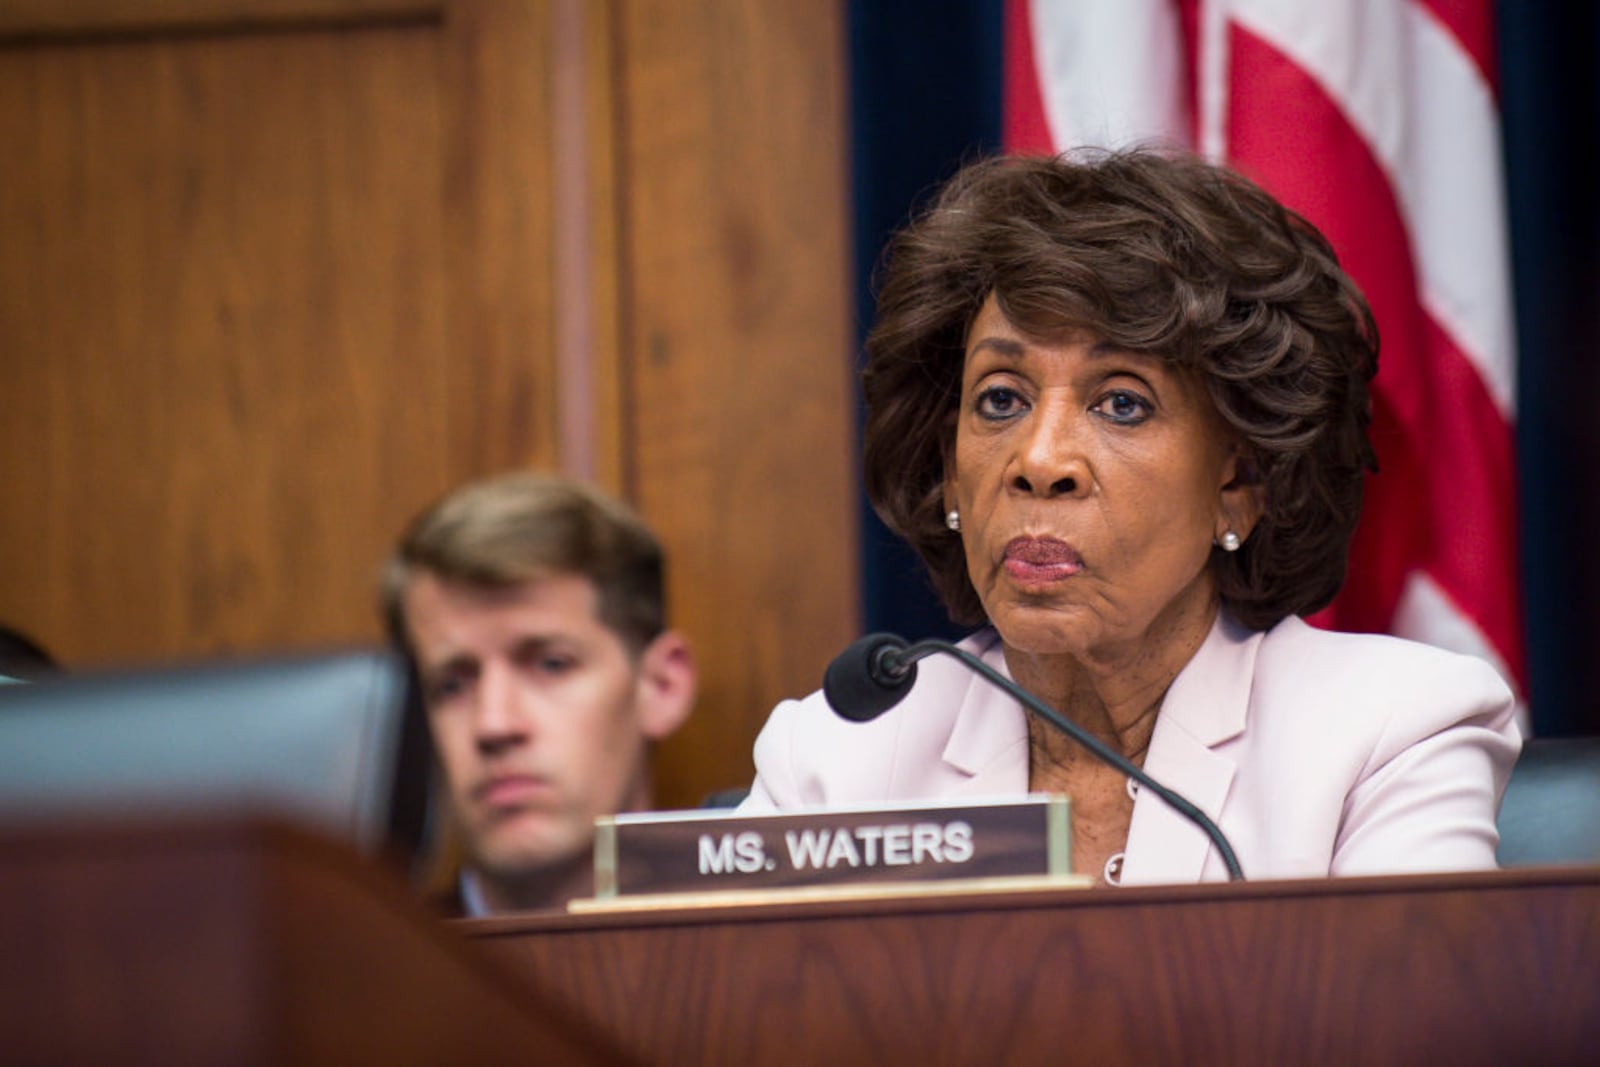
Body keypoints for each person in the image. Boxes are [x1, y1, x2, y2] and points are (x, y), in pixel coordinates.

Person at [739, 149, 1521, 886]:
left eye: (1122, 403)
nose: (1040, 460)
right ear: (949, 472)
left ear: (1241, 482)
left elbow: (1402, 1024)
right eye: (1000, 399)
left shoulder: (1387, 734)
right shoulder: (842, 756)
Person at [382, 472, 696, 914]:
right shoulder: (361, 977)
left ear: (662, 687)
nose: (493, 725)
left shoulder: (764, 964)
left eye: (551, 664)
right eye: (452, 685)